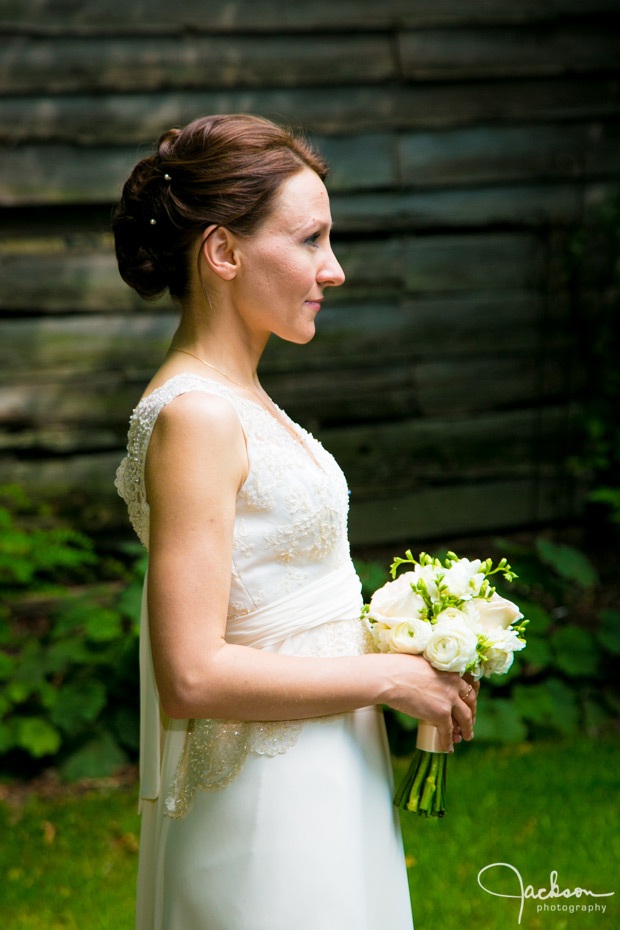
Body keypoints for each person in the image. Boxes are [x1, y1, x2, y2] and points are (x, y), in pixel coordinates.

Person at [113, 114, 478, 930]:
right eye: (310, 240)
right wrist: (393, 681)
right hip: (267, 799)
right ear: (224, 252)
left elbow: (277, 597)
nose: (334, 270)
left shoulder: (244, 399)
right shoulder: (198, 417)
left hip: (325, 763)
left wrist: (407, 641)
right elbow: (193, 674)